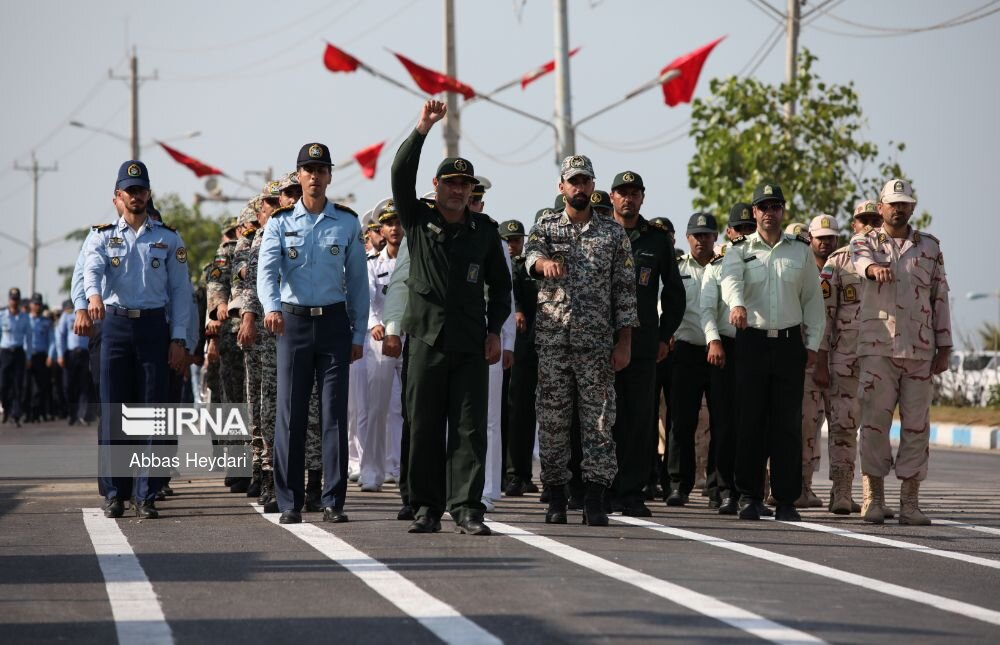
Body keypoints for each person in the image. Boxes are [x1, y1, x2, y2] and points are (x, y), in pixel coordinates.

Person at [390, 100, 511, 536]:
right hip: (424, 340)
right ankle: (425, 506)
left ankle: (467, 508)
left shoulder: (485, 232)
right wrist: (421, 129)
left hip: (469, 342)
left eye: (466, 185)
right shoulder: (418, 220)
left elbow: (501, 288)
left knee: (469, 428)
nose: (459, 191)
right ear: (437, 185)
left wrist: (496, 329)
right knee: (423, 427)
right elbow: (400, 174)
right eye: (452, 183)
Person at [257, 142, 369, 525]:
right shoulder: (280, 222)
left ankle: (333, 500)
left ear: (330, 176)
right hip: (294, 324)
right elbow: (266, 272)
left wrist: (358, 335)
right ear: (299, 175)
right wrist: (271, 307)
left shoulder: (347, 222)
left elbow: (358, 284)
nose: (315, 176)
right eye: (309, 170)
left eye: (322, 170)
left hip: (335, 325)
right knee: (291, 414)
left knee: (334, 414)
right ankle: (289, 501)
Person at [525, 154, 638, 527]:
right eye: (572, 181)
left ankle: (594, 497)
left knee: (600, 423)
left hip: (596, 345)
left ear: (593, 187)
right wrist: (542, 264)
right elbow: (531, 256)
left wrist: (624, 343)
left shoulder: (612, 233)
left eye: (585, 181)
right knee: (554, 422)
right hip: (554, 342)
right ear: (561, 187)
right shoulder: (545, 226)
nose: (579, 187)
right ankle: (556, 495)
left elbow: (625, 293)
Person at [84, 160, 192, 519]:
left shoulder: (168, 238)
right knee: (114, 410)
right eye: (129, 191)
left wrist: (178, 339)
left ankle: (146, 493)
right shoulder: (101, 235)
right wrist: (93, 297)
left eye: (141, 190)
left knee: (152, 413)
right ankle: (116, 492)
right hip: (114, 326)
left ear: (148, 194)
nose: (136, 196)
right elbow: (92, 268)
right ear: (117, 197)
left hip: (151, 329)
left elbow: (180, 293)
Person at [721, 182, 825, 522]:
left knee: (786, 425)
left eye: (775, 206)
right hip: (751, 341)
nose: (769, 212)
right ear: (754, 212)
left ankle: (785, 499)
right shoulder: (738, 249)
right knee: (750, 422)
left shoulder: (800, 250)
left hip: (787, 345)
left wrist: (811, 345)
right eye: (763, 207)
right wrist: (736, 304)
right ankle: (749, 496)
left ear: (783, 211)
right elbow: (731, 280)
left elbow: (813, 302)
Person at [850, 179, 951, 525]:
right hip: (878, 348)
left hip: (920, 350)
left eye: (905, 203)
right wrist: (874, 269)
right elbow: (861, 262)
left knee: (917, 426)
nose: (899, 208)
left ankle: (910, 502)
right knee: (874, 424)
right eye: (893, 203)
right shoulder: (864, 241)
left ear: (913, 208)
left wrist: (946, 345)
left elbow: (940, 297)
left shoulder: (930, 248)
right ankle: (873, 497)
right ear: (880, 208)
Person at [607, 171, 684, 516]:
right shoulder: (598, 233)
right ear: (611, 197)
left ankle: (632, 492)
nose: (628, 198)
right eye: (622, 193)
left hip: (642, 346)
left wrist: (665, 335)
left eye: (634, 193)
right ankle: (602, 487)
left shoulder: (655, 240)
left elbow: (675, 292)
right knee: (603, 419)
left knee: (639, 419)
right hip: (600, 344)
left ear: (642, 197)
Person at [815, 199, 885, 515]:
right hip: (846, 360)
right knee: (843, 427)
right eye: (862, 220)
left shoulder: (894, 258)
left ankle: (873, 496)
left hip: (883, 361)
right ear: (853, 225)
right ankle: (841, 491)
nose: (869, 225)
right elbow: (824, 317)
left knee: (876, 429)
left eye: (874, 219)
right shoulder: (837, 262)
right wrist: (820, 361)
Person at [701, 202, 758, 515]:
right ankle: (725, 490)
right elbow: (707, 308)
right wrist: (713, 340)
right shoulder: (717, 265)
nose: (745, 234)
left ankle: (752, 491)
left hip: (758, 346)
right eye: (740, 229)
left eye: (750, 229)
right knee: (724, 424)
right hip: (725, 348)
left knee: (754, 423)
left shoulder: (764, 260)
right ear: (729, 232)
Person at [666, 212, 719, 509]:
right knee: (681, 423)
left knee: (720, 422)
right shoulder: (677, 269)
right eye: (697, 235)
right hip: (684, 350)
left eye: (707, 234)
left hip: (718, 352)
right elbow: (665, 302)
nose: (702, 240)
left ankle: (716, 487)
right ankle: (678, 485)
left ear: (715, 238)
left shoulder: (725, 267)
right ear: (688, 238)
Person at [359, 198, 405, 493]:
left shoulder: (414, 261)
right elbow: (367, 298)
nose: (395, 229)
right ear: (380, 229)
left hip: (412, 337)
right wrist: (375, 323)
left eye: (399, 223)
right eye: (389, 224)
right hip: (381, 339)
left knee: (404, 409)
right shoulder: (374, 265)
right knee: (376, 409)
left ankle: (399, 466)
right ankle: (371, 471)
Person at [795, 214, 839, 508]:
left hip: (841, 360)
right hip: (808, 360)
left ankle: (832, 488)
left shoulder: (842, 268)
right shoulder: (802, 269)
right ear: (810, 238)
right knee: (805, 427)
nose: (826, 242)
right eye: (820, 237)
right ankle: (799, 486)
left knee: (833, 426)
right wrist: (819, 361)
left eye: (831, 237)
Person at [501, 219, 541, 497]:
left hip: (544, 345)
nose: (513, 245)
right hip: (516, 349)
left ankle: (534, 475)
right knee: (516, 413)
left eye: (517, 240)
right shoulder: (507, 267)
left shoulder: (534, 265)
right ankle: (514, 474)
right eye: (508, 240)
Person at [55, 299, 92, 426]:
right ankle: (72, 413)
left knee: (84, 386)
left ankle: (82, 415)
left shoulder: (90, 312)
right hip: (70, 354)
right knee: (68, 386)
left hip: (85, 353)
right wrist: (60, 354)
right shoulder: (67, 314)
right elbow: (60, 335)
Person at [1, 288, 31, 426]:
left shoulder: (25, 317)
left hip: (19, 352)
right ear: (9, 300)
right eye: (12, 299)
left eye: (16, 299)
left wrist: (28, 356)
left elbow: (28, 338)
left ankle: (15, 415)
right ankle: (6, 409)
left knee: (18, 385)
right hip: (5, 352)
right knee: (3, 385)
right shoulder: (2, 316)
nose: (14, 301)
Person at [24, 293, 54, 422]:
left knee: (39, 387)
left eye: (39, 304)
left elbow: (52, 340)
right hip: (26, 356)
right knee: (25, 386)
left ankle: (37, 413)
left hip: (41, 357)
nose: (37, 306)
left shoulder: (46, 322)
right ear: (30, 305)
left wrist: (50, 356)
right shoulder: (25, 320)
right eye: (35, 303)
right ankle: (26, 413)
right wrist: (27, 357)